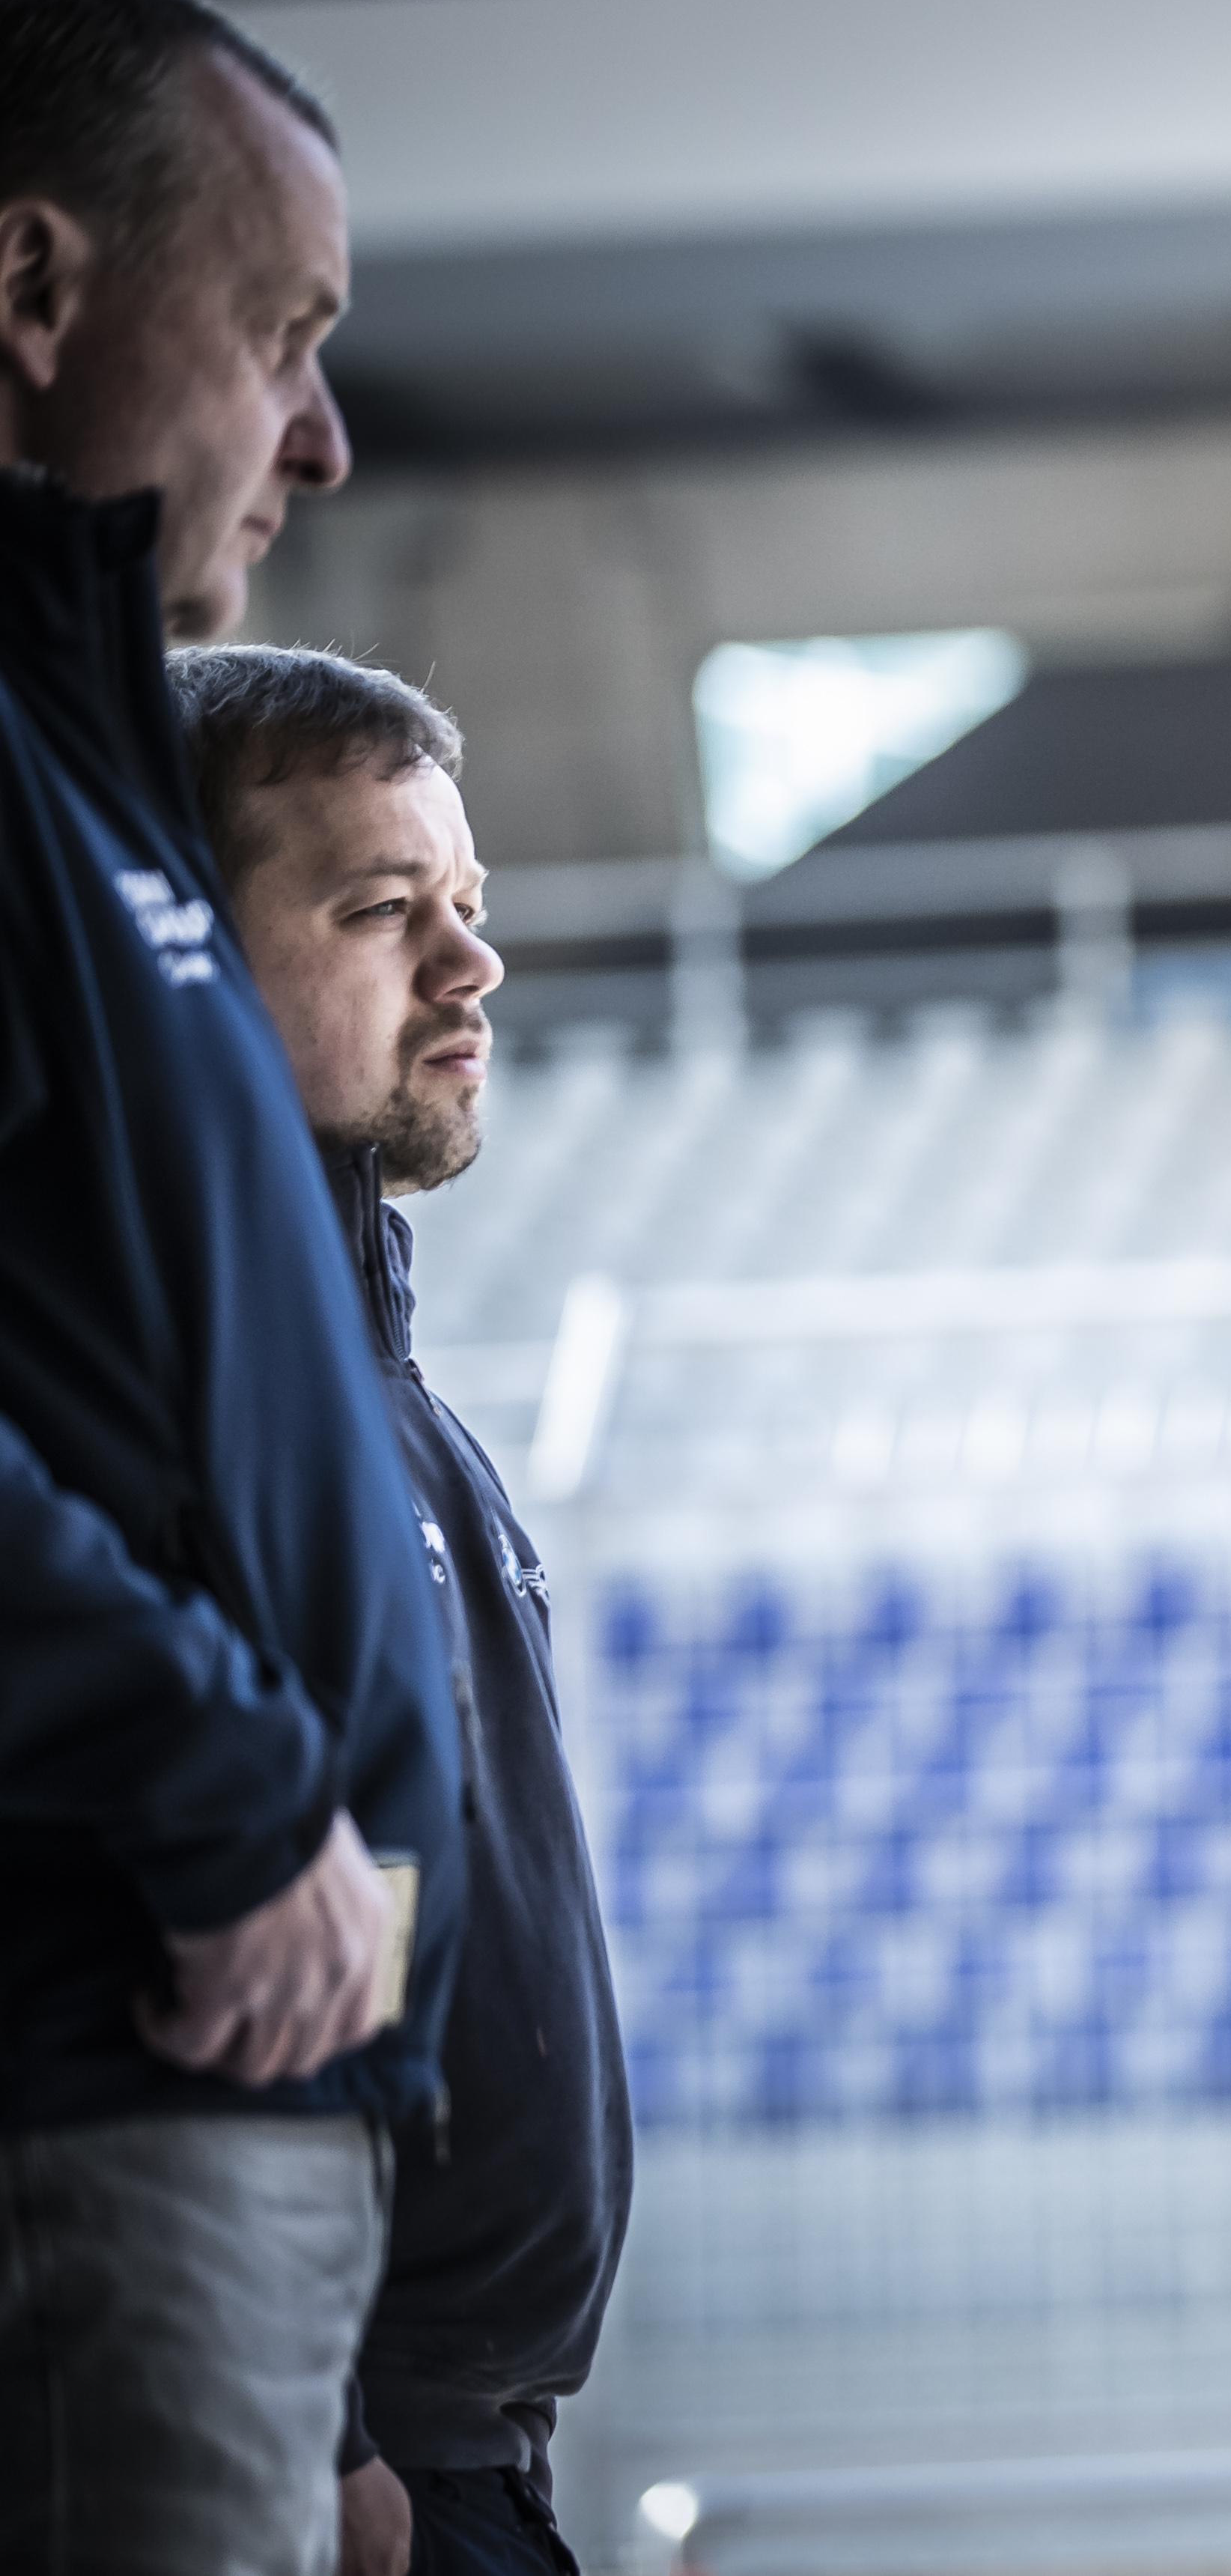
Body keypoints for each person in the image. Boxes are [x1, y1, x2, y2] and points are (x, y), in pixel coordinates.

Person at [0, 0, 467, 2573]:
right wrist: (226, 1781)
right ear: (33, 291)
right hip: (107, 2063)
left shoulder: (80, 771)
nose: (325, 437)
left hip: (217, 2102)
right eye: (280, 333)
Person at [174, 645, 633, 2576]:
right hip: (336, 2459)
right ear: (176, 951)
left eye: (469, 901)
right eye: (381, 911)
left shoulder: (383, 1396)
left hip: (466, 2451)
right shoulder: (183, 1401)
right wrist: (322, 2419)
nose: (472, 964)